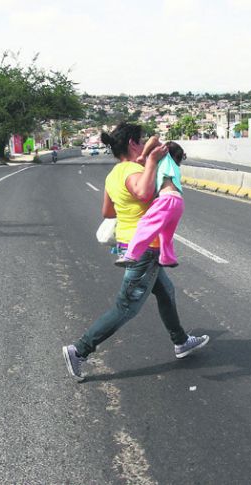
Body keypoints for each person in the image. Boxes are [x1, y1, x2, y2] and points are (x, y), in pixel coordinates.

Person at [62, 122, 209, 381]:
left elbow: (108, 212)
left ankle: (181, 341)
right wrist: (151, 161)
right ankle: (80, 350)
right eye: (140, 141)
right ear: (132, 143)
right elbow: (142, 192)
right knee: (126, 306)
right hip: (144, 249)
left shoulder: (114, 174)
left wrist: (130, 209)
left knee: (166, 291)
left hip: (128, 243)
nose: (143, 145)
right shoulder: (135, 169)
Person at [114, 135, 186, 268]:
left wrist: (143, 155)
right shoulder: (175, 167)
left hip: (166, 199)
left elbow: (153, 139)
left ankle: (131, 255)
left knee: (145, 225)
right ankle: (168, 259)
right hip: (178, 202)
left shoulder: (165, 156)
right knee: (166, 234)